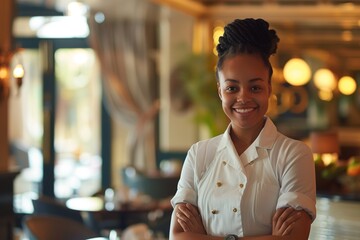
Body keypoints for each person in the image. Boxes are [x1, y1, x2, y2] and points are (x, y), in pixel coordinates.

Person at [169, 18, 316, 240]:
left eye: (255, 87)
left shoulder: (294, 154)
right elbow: (178, 237)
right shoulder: (199, 154)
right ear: (220, 91)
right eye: (232, 88)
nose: (243, 98)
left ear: (269, 88)